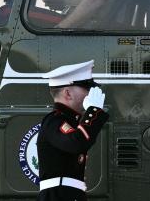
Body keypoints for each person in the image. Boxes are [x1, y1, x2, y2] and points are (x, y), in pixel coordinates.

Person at [37, 60, 109, 201]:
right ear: (68, 93)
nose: (90, 93)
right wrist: (93, 111)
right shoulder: (54, 121)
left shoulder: (72, 122)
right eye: (86, 88)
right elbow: (77, 142)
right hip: (57, 196)